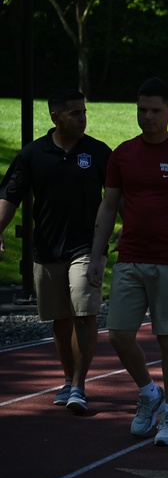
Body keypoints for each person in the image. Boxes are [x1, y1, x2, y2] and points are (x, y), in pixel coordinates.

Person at [87, 78, 168, 446]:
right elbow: (109, 206)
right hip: (129, 258)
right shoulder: (123, 155)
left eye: (156, 111)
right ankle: (148, 392)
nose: (148, 117)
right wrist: (97, 255)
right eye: (142, 110)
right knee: (118, 335)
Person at [0, 89, 111, 415]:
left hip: (87, 249)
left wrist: (125, 225)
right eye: (75, 113)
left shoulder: (98, 152)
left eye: (84, 112)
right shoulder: (33, 154)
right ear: (55, 117)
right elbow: (10, 195)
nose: (82, 118)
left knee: (85, 312)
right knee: (60, 321)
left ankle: (79, 385)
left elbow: (119, 194)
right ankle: (68, 379)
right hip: (46, 249)